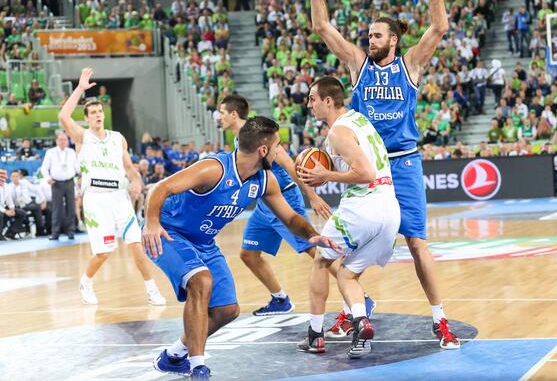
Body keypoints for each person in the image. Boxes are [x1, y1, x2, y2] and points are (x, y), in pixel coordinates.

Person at [306, 0, 459, 349]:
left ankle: (439, 320)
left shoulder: (410, 64)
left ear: (393, 39)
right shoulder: (358, 65)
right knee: (350, 245)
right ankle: (355, 308)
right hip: (365, 168)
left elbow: (439, 28)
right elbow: (323, 28)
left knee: (417, 241)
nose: (368, 39)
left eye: (376, 35)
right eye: (368, 34)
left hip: (403, 164)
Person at [142, 116, 339, 380]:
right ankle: (198, 366)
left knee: (227, 310)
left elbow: (290, 218)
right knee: (200, 281)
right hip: (168, 232)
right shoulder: (212, 169)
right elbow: (161, 187)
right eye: (278, 146)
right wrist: (152, 222)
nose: (281, 150)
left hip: (203, 242)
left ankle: (174, 356)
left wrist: (313, 235)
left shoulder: (265, 181)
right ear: (263, 150)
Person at [218, 94, 353, 317]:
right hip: (265, 203)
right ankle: (280, 300)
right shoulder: (239, 138)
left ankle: (359, 296)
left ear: (234, 114)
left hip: (284, 198)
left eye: (222, 112)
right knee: (249, 254)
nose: (219, 117)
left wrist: (312, 196)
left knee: (314, 249)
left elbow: (290, 165)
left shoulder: (259, 133)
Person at [296, 77, 400, 357]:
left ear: (328, 101)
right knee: (347, 274)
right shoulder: (359, 121)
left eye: (312, 99)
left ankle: (315, 335)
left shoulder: (338, 132)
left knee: (320, 259)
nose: (309, 105)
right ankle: (361, 323)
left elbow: (365, 173)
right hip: (390, 210)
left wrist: (325, 175)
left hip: (364, 205)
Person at [58, 68, 167, 306]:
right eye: (93, 112)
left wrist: (136, 180)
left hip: (119, 197)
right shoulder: (81, 137)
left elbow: (128, 167)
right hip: (96, 199)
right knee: (104, 252)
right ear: (86, 118)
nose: (97, 115)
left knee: (136, 245)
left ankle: (152, 289)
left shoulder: (118, 138)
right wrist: (79, 89)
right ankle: (86, 281)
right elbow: (64, 118)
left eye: (99, 111)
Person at [40, 131, 79, 240]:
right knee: (57, 209)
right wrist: (47, 178)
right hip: (56, 183)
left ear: (67, 141)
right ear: (56, 141)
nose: (63, 142)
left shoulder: (71, 152)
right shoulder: (50, 152)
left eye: (65, 140)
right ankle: (55, 233)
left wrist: (83, 175)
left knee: (71, 208)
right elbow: (44, 168)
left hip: (69, 182)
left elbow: (77, 167)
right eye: (61, 139)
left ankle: (71, 231)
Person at [6, 170, 42, 237]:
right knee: (25, 210)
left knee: (37, 206)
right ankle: (17, 230)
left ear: (19, 176)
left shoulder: (24, 182)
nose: (15, 178)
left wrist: (42, 200)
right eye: (13, 176)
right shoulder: (8, 187)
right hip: (16, 206)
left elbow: (35, 189)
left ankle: (40, 230)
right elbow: (9, 200)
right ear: (10, 178)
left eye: (17, 176)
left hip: (27, 204)